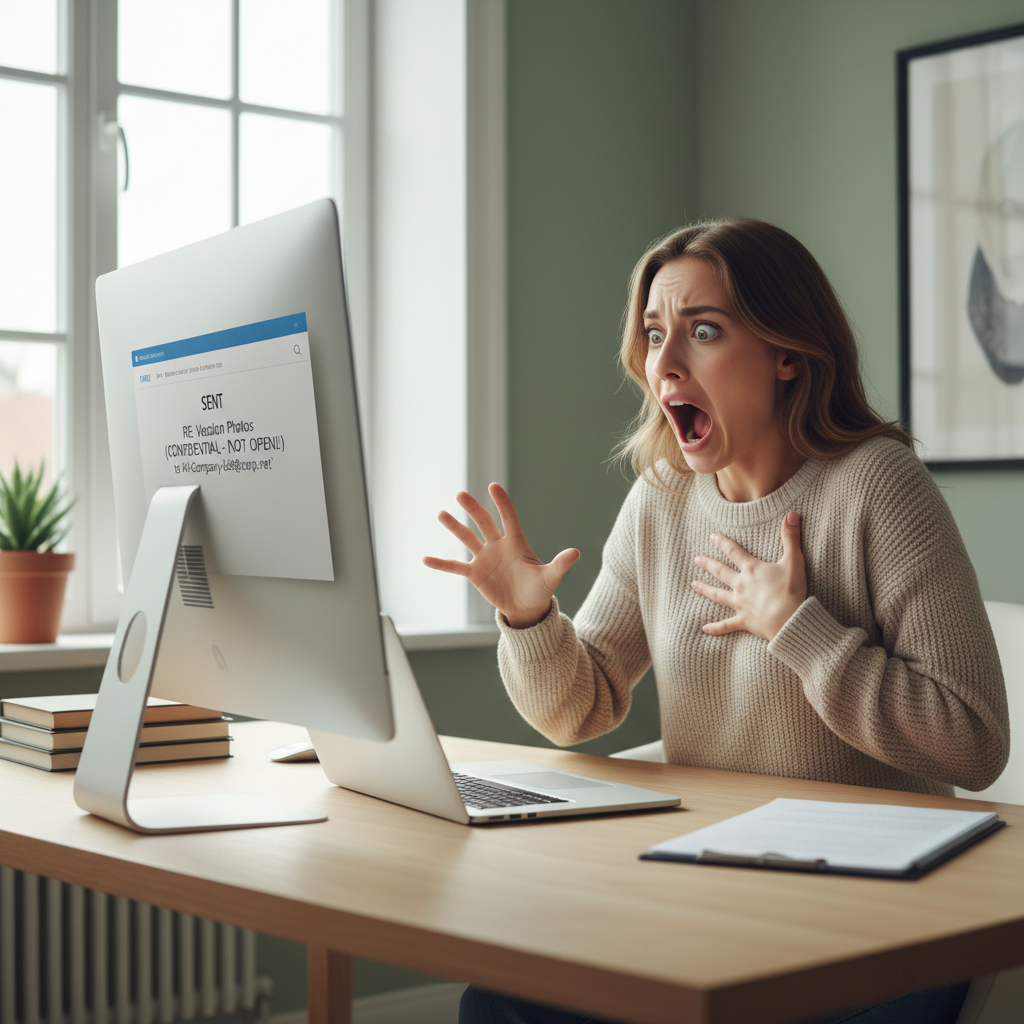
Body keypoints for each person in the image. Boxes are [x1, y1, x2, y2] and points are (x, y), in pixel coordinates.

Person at [424, 219, 1009, 1024]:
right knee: (501, 1004)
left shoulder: (879, 485)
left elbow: (975, 744)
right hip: (715, 893)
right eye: (653, 333)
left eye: (703, 331)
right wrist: (529, 618)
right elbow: (578, 708)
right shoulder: (662, 500)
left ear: (787, 353)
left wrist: (799, 629)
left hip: (881, 917)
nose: (664, 364)